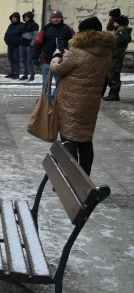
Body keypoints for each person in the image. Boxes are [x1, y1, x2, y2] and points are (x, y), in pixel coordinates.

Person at [50, 16, 114, 174]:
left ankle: (72, 178)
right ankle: (85, 178)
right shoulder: (106, 52)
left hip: (71, 102)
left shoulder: (76, 51)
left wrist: (57, 56)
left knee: (68, 139)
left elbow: (57, 70)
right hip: (91, 103)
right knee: (85, 140)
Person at [32, 10, 75, 98]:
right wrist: (35, 57)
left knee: (60, 84)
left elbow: (75, 42)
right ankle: (46, 102)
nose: (56, 19)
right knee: (46, 84)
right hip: (46, 61)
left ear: (61, 18)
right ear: (51, 19)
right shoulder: (45, 30)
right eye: (54, 18)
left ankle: (56, 99)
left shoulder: (68, 29)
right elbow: (37, 43)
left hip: (62, 62)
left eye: (58, 17)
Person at [104, 10, 130, 101]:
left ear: (119, 23)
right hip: (114, 55)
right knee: (111, 74)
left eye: (115, 22)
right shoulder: (119, 31)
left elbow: (114, 43)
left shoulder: (121, 32)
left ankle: (114, 94)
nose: (113, 23)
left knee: (114, 74)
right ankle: (112, 93)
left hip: (116, 56)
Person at [3, 11, 25, 79]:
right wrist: (6, 39)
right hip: (10, 45)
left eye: (15, 18)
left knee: (16, 59)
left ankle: (16, 73)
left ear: (18, 18)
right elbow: (7, 33)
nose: (13, 19)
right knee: (11, 59)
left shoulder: (22, 25)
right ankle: (12, 72)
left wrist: (18, 41)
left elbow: (23, 36)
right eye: (12, 18)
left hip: (17, 46)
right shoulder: (10, 25)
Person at [20, 11, 39, 80]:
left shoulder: (35, 25)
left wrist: (32, 44)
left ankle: (32, 75)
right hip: (22, 45)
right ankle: (25, 74)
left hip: (29, 46)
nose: (25, 18)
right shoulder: (24, 25)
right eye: (25, 17)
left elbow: (35, 35)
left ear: (30, 17)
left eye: (27, 17)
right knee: (23, 60)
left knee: (30, 61)